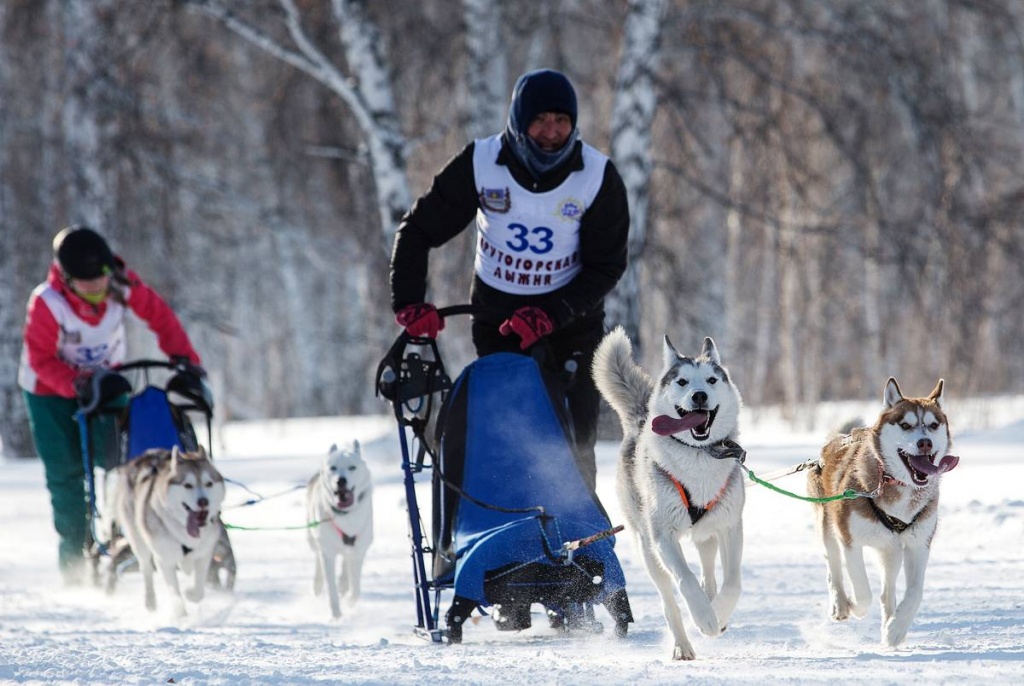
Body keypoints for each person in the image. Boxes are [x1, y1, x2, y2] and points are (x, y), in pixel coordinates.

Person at [389, 68, 629, 492]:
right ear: (519, 121)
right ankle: (513, 534)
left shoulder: (596, 176)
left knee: (574, 440)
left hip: (572, 320)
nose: (551, 132)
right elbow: (418, 230)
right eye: (540, 120)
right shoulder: (482, 163)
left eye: (562, 121)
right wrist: (410, 302)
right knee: (510, 434)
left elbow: (606, 265)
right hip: (498, 318)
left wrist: (551, 314)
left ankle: (581, 543)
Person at [18, 225, 203, 585]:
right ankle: (75, 561)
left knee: (125, 463)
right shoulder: (47, 302)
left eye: (100, 282)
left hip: (109, 385)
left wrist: (185, 360)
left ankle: (128, 537)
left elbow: (160, 318)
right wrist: (79, 382)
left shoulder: (121, 285)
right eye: (86, 287)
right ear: (67, 280)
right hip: (49, 395)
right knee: (68, 476)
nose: (96, 291)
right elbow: (40, 358)